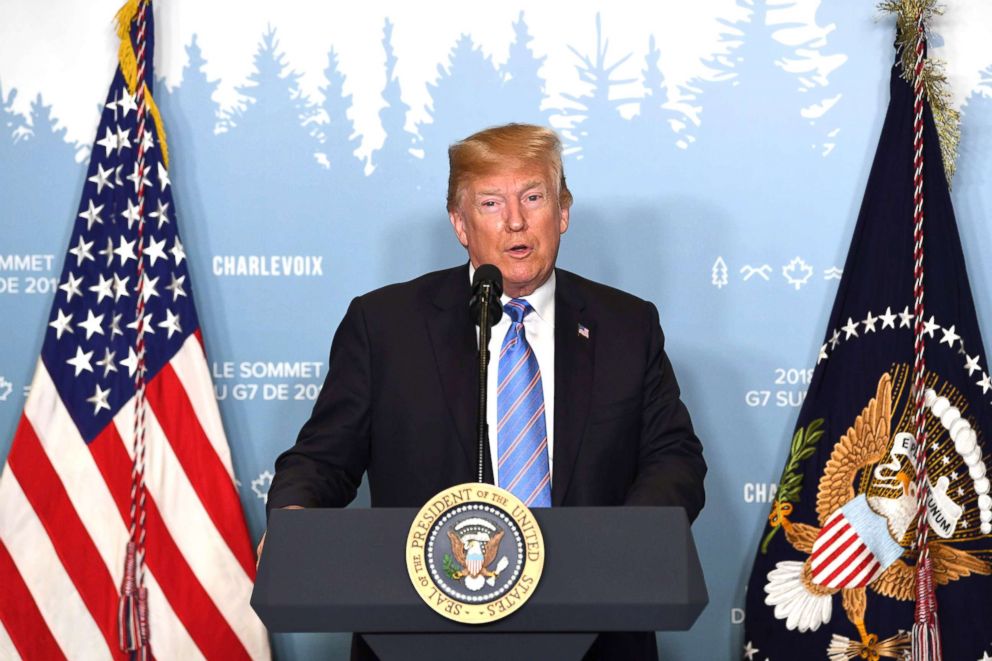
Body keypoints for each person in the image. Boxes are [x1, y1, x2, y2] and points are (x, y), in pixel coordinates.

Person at [262, 123, 706, 660]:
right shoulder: (385, 326)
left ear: (562, 212)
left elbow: (673, 458)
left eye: (534, 197)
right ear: (459, 224)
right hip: (421, 635)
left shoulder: (626, 325)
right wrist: (294, 516)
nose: (515, 220)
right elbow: (321, 459)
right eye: (491, 202)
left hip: (598, 636)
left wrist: (624, 541)